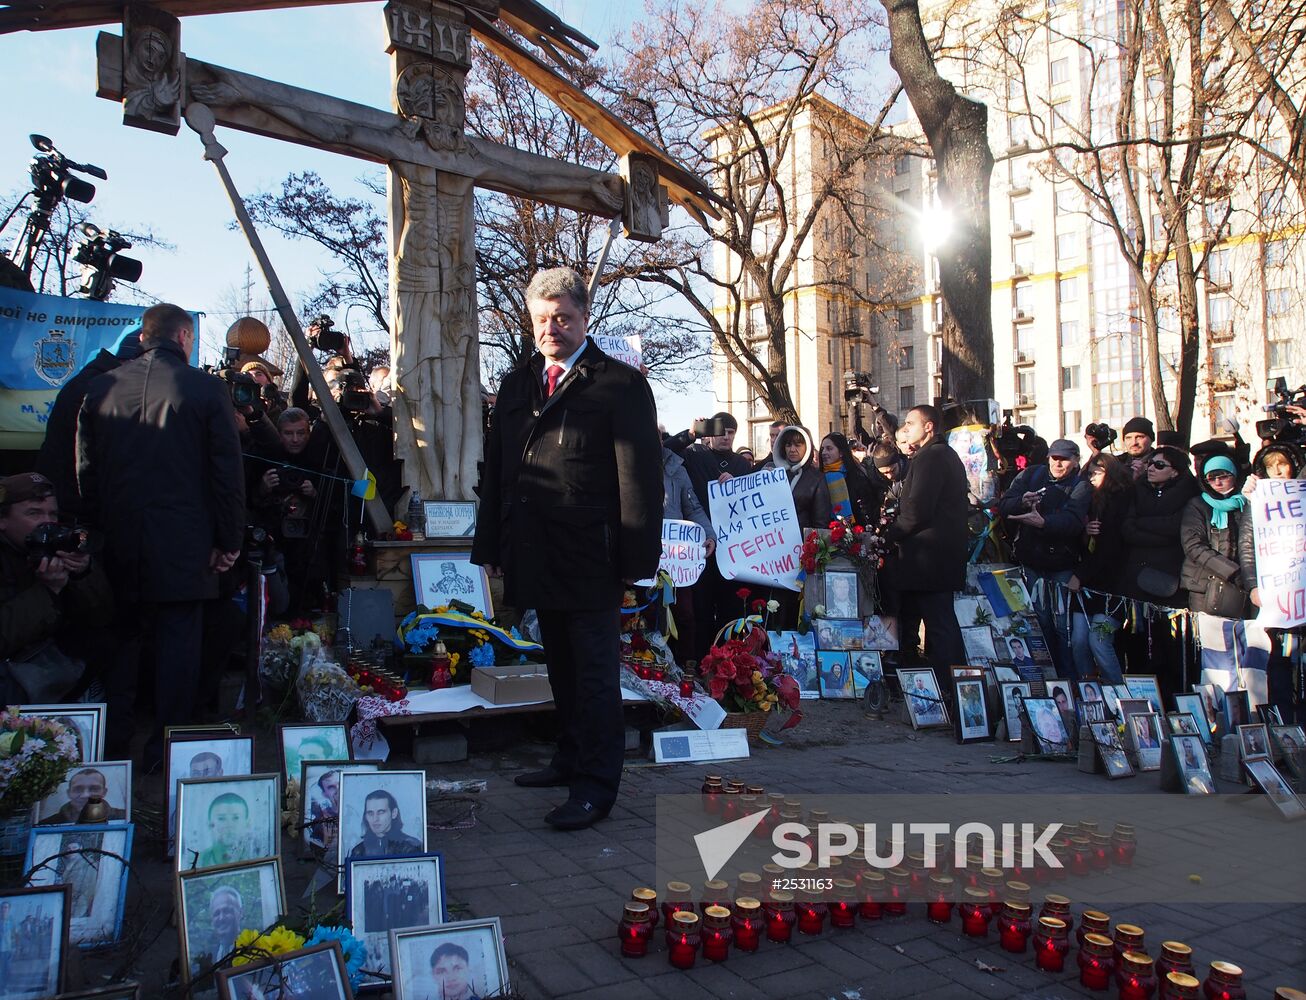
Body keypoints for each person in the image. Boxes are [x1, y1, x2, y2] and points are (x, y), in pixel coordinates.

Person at [472, 267, 662, 831]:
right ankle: (569, 758)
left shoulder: (619, 384)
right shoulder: (517, 383)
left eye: (563, 317)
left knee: (595, 675)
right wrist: (491, 544)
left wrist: (635, 563)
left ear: (584, 317)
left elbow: (640, 481)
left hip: (592, 556)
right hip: (535, 549)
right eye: (541, 319)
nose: (551, 328)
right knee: (559, 665)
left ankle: (596, 787)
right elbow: (499, 470)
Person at [77, 303, 245, 765]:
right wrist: (230, 541)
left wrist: (93, 532)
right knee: (177, 648)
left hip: (121, 538)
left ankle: (112, 745)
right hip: (185, 543)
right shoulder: (206, 389)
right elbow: (226, 475)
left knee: (122, 643)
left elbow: (86, 472)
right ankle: (166, 748)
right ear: (185, 339)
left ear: (144, 337)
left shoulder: (100, 388)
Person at [0, 472, 113, 704]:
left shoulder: (61, 548)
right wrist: (48, 590)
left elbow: (103, 618)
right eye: (34, 513)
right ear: (2, 521)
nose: (48, 523)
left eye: (53, 514)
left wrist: (83, 573)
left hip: (63, 673)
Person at [881, 406, 968, 669]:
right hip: (932, 559)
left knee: (939, 627)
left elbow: (916, 511)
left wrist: (886, 536)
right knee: (933, 624)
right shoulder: (937, 455)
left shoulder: (932, 458)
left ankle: (951, 688)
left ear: (928, 427)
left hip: (931, 561)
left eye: (910, 423)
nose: (905, 429)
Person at [997, 438, 1091, 678]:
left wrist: (1044, 522)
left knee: (1063, 627)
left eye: (1064, 460)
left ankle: (1067, 678)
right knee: (1038, 622)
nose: (1058, 464)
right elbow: (1005, 504)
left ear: (1075, 461)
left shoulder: (1080, 485)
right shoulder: (1031, 474)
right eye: (1054, 458)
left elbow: (1073, 521)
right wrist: (1021, 502)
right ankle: (1044, 677)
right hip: (1031, 561)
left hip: (1061, 564)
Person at [35, 330, 141, 517]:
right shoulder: (99, 387)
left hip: (70, 493)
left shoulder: (94, 381)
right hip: (74, 499)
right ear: (131, 360)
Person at [1066, 453, 1132, 684]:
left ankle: (1117, 691)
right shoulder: (1089, 500)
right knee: (1079, 641)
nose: (1092, 477)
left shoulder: (1121, 500)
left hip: (1112, 587)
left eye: (1097, 472)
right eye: (1089, 472)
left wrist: (1079, 576)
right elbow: (1083, 544)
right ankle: (1089, 692)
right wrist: (1086, 533)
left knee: (1100, 641)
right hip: (1087, 587)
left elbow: (1111, 548)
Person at [1118, 445, 1198, 605]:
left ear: (1175, 471)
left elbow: (1176, 528)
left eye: (1159, 465)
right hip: (1137, 569)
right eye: (1150, 463)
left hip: (1169, 574)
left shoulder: (1189, 493)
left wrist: (1141, 522)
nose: (1151, 468)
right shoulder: (1137, 490)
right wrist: (1161, 533)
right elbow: (1128, 530)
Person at [1180, 455, 1250, 618]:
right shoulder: (1197, 505)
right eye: (1211, 478)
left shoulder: (1247, 503)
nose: (1217, 483)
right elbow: (1194, 546)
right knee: (1210, 639)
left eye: (1223, 476)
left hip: (1244, 585)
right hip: (1204, 585)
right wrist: (1232, 572)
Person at [770, 427, 832, 531]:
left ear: (807, 446)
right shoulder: (773, 475)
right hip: (773, 541)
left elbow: (821, 522)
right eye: (788, 445)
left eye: (798, 445)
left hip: (803, 543)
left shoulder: (816, 478)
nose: (792, 449)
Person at [819, 432, 880, 526]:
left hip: (856, 530)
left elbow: (868, 506)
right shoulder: (819, 477)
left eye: (829, 448)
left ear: (841, 452)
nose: (824, 453)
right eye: (822, 449)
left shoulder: (856, 476)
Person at [39, 767, 126, 825]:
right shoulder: (47, 825)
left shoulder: (124, 818)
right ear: (69, 793)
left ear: (104, 792)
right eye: (78, 789)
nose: (85, 795)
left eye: (94, 788)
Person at [349, 789, 422, 857]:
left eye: (381, 812)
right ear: (366, 816)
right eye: (370, 813)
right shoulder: (358, 851)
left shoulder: (411, 846)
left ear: (394, 813)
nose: (375, 819)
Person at [197, 792, 257, 868]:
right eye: (221, 818)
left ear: (248, 824)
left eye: (236, 818)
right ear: (209, 825)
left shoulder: (259, 859)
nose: (229, 825)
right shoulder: (196, 864)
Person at [203, 886, 244, 968]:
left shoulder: (253, 946)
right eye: (216, 913)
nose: (221, 918)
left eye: (226, 911)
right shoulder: (208, 957)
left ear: (241, 912)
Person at [307, 769, 341, 850]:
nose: (338, 789)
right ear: (324, 794)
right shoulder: (320, 821)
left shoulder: (361, 811)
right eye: (331, 787)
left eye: (340, 783)